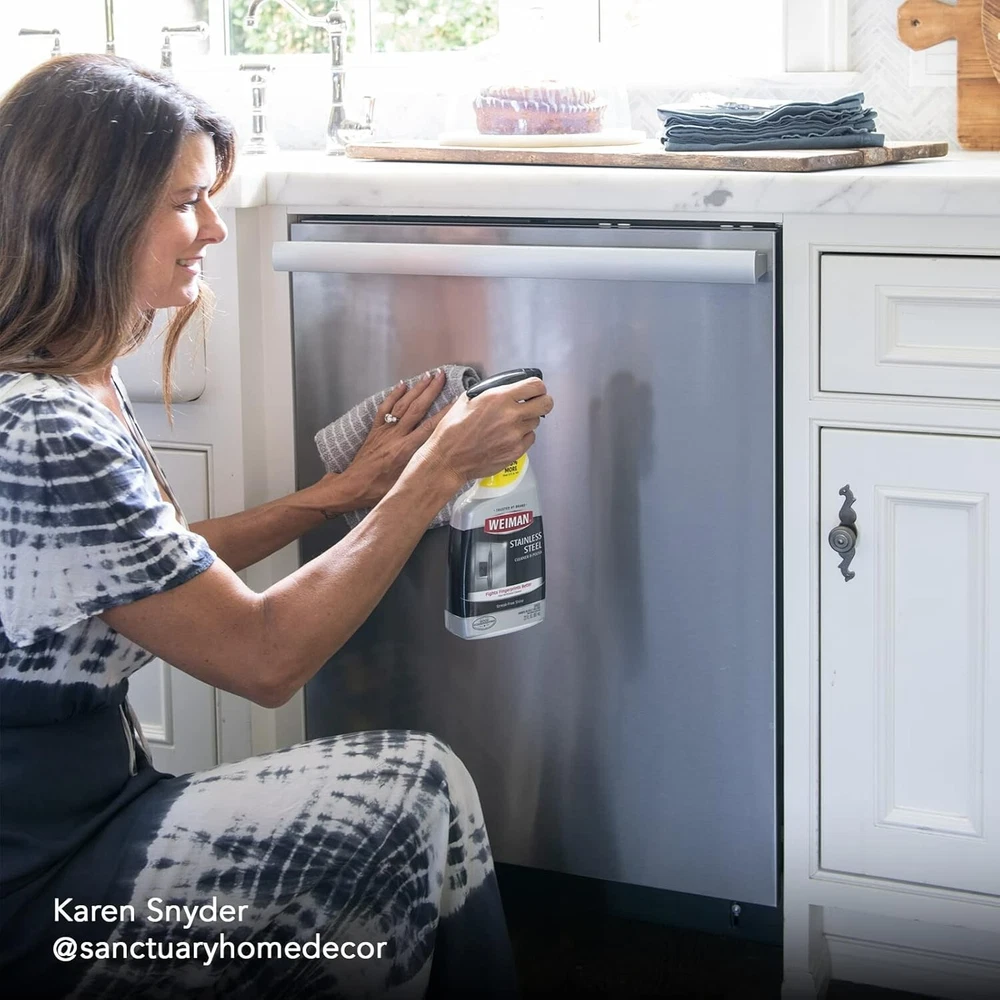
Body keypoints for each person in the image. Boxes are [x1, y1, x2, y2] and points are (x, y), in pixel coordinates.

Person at [0, 55, 553, 999]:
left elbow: (154, 577)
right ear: (91, 215)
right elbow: (264, 658)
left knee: (417, 798)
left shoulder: (66, 378)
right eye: (187, 203)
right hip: (43, 894)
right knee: (415, 791)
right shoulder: (43, 426)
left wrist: (338, 495)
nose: (214, 229)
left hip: (88, 817)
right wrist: (436, 473)